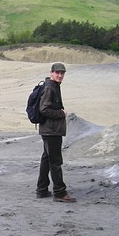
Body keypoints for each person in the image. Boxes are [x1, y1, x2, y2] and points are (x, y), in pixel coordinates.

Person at [35, 62, 76, 202]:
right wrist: (61, 113)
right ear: (51, 72)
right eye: (57, 72)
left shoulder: (53, 86)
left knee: (46, 159)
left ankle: (41, 190)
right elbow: (44, 109)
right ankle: (59, 193)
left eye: (62, 73)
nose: (59, 75)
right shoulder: (50, 88)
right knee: (55, 161)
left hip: (49, 130)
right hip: (51, 131)